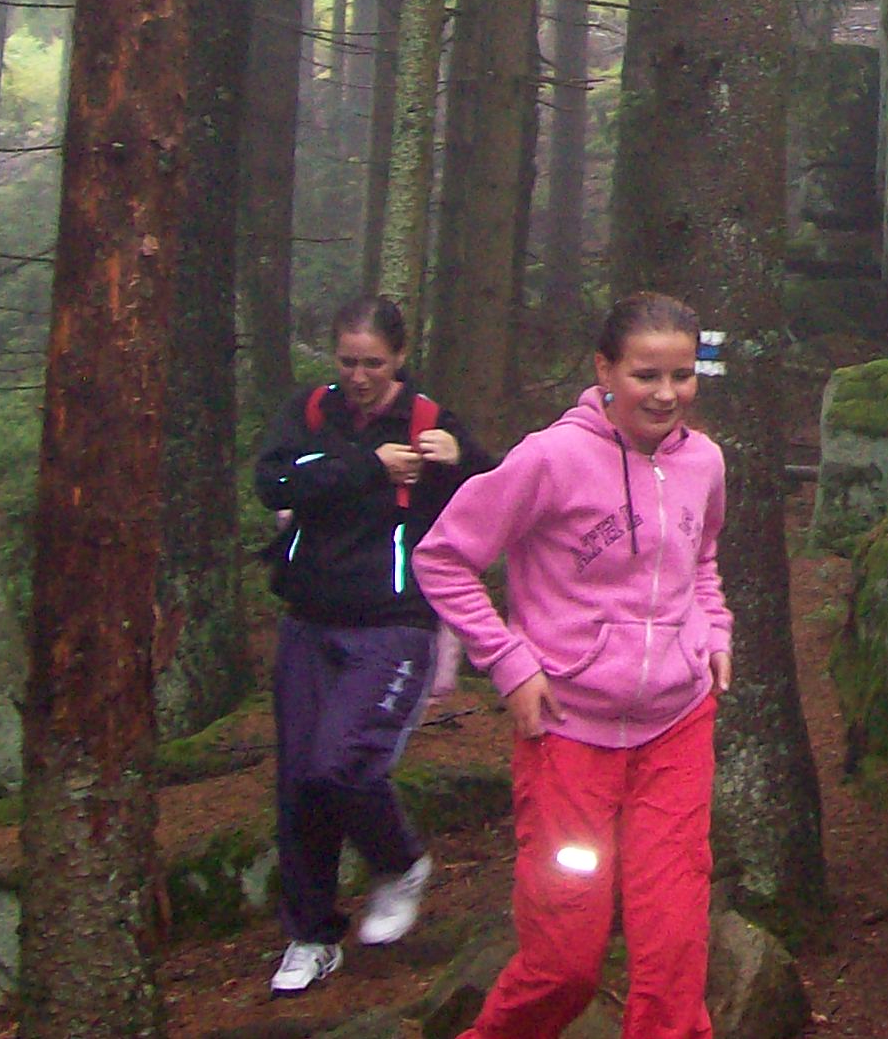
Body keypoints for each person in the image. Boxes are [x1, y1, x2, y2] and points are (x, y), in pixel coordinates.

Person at [414, 291, 732, 1039]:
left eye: (682, 376)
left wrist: (713, 632)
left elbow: (704, 560)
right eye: (646, 375)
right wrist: (511, 664)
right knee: (565, 960)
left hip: (676, 729)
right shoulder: (551, 459)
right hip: (569, 735)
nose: (665, 394)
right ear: (605, 370)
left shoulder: (706, 463)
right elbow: (444, 557)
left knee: (674, 952)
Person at [253, 293, 491, 995]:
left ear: (400, 358)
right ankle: (310, 935)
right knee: (299, 783)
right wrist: (363, 466)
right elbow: (273, 482)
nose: (359, 377)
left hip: (395, 622)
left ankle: (400, 862)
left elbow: (496, 498)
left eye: (374, 364)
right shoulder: (309, 411)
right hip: (307, 619)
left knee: (342, 764)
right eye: (348, 362)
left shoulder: (426, 421)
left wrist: (464, 460)